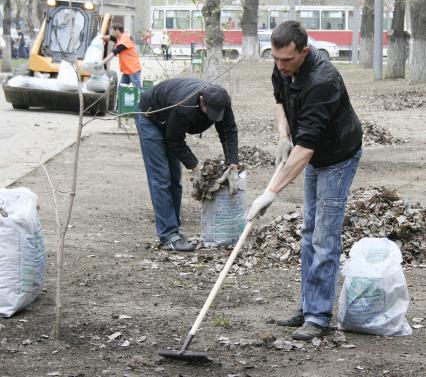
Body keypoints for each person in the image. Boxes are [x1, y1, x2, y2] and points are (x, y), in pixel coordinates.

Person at [247, 21, 363, 340]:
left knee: (325, 235)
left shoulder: (323, 81)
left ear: (305, 52)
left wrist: (269, 193)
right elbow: (279, 101)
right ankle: (308, 305)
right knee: (310, 230)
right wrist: (284, 135)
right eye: (276, 58)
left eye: (287, 59)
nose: (280, 65)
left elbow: (306, 151)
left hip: (337, 155)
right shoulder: (282, 67)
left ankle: (319, 317)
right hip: (309, 149)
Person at [136, 78, 239, 252]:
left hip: (170, 121)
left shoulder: (221, 101)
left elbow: (228, 131)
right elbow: (174, 140)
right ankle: (168, 236)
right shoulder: (184, 106)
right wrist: (195, 167)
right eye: (210, 112)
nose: (214, 118)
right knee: (161, 177)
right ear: (201, 102)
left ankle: (174, 229)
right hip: (150, 118)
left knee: (175, 178)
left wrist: (233, 165)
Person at [101, 23, 142, 89]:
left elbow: (114, 53)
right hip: (127, 70)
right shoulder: (120, 37)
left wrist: (102, 62)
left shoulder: (124, 41)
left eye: (113, 31)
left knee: (137, 89)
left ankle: (142, 99)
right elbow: (112, 38)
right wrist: (103, 38)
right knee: (121, 89)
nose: (112, 33)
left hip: (133, 70)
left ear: (117, 31)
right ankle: (121, 99)